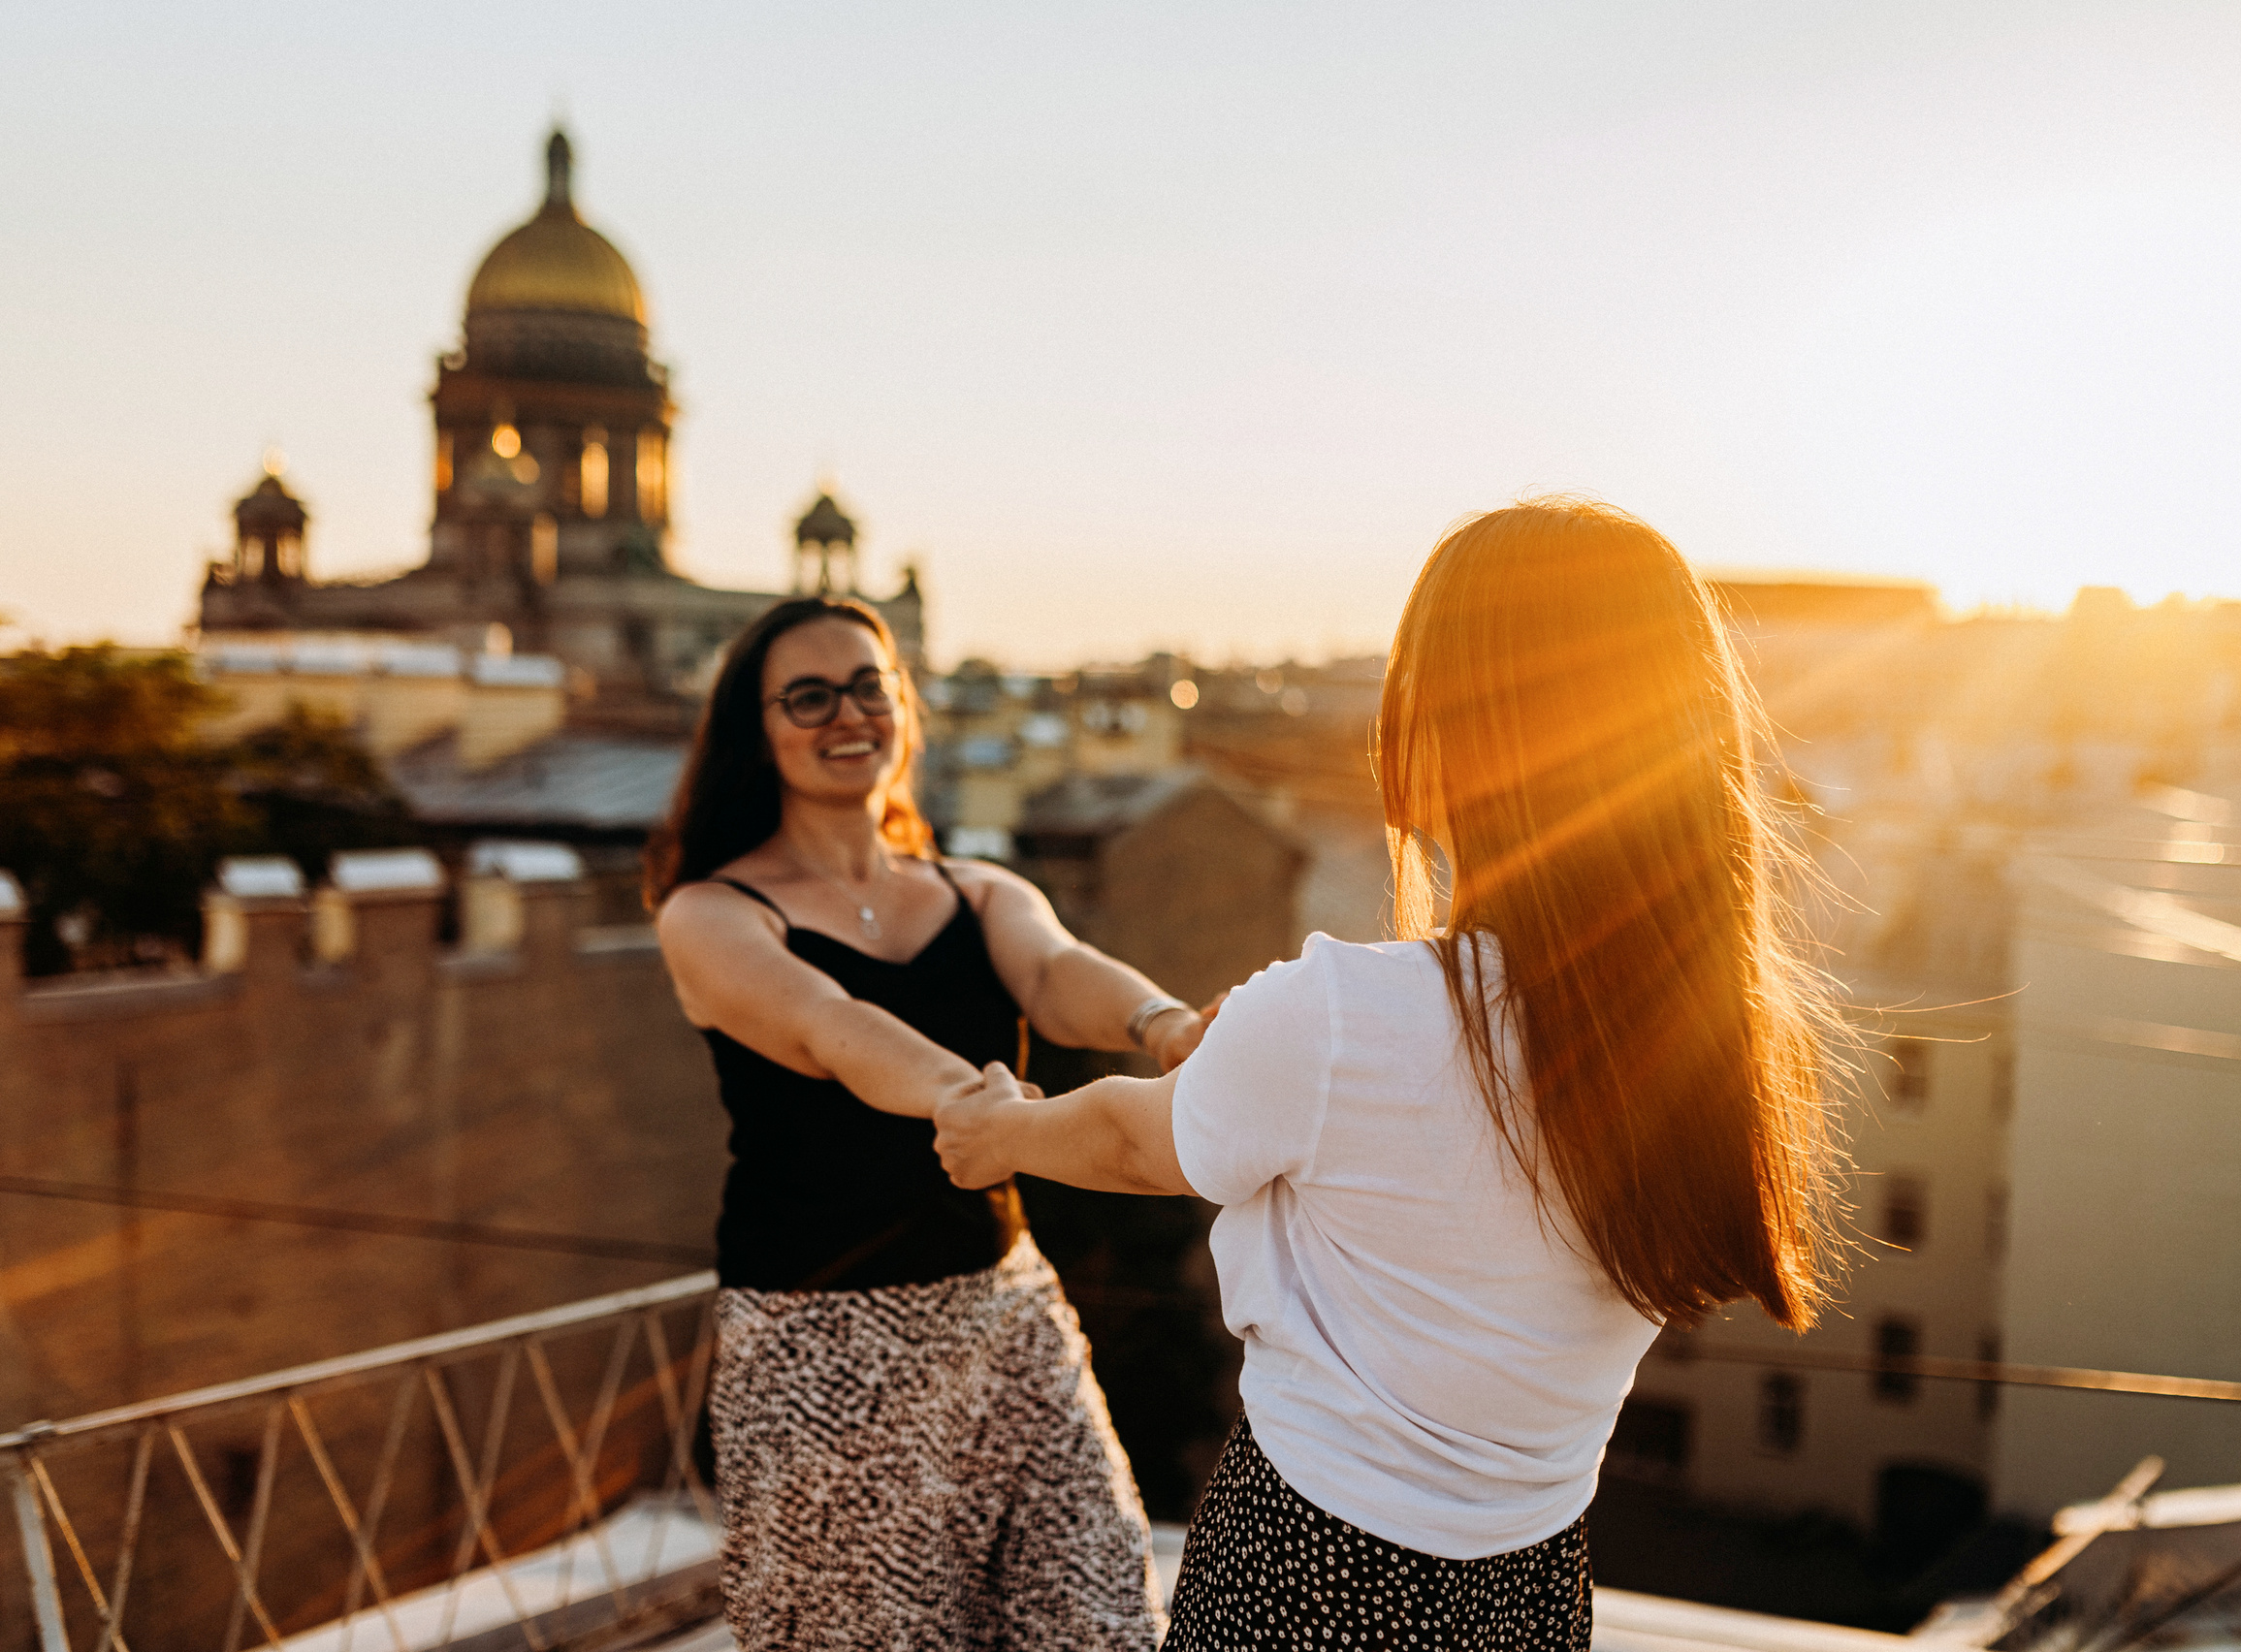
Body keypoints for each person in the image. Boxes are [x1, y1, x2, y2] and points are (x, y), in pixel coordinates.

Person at [933, 498, 1848, 1651]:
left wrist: (999, 1133)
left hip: (1307, 1572)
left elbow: (1129, 1141)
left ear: (1452, 733)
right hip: (1530, 1585)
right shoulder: (1722, 1043)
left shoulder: (1339, 1014)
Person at [648, 594, 1208, 1651]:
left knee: (1101, 1620)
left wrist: (1164, 1024)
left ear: (903, 703)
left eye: (869, 686)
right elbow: (830, 1026)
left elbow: (1053, 972)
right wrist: (978, 1108)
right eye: (807, 696)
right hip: (821, 1344)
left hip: (1004, 1317)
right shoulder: (710, 913)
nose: (845, 714)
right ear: (754, 730)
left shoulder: (977, 888)